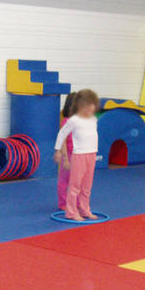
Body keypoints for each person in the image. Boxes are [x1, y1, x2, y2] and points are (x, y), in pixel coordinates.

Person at [54, 89, 100, 221]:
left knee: (87, 185)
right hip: (79, 154)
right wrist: (58, 151)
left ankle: (85, 210)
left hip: (91, 154)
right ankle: (71, 212)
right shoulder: (74, 120)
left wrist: (95, 151)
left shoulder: (93, 120)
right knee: (75, 185)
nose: (92, 107)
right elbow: (62, 134)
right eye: (89, 104)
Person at [56, 92, 77, 210]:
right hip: (68, 153)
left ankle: (76, 202)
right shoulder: (66, 121)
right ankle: (63, 203)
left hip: (78, 154)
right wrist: (66, 159)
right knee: (64, 180)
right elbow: (63, 141)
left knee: (77, 180)